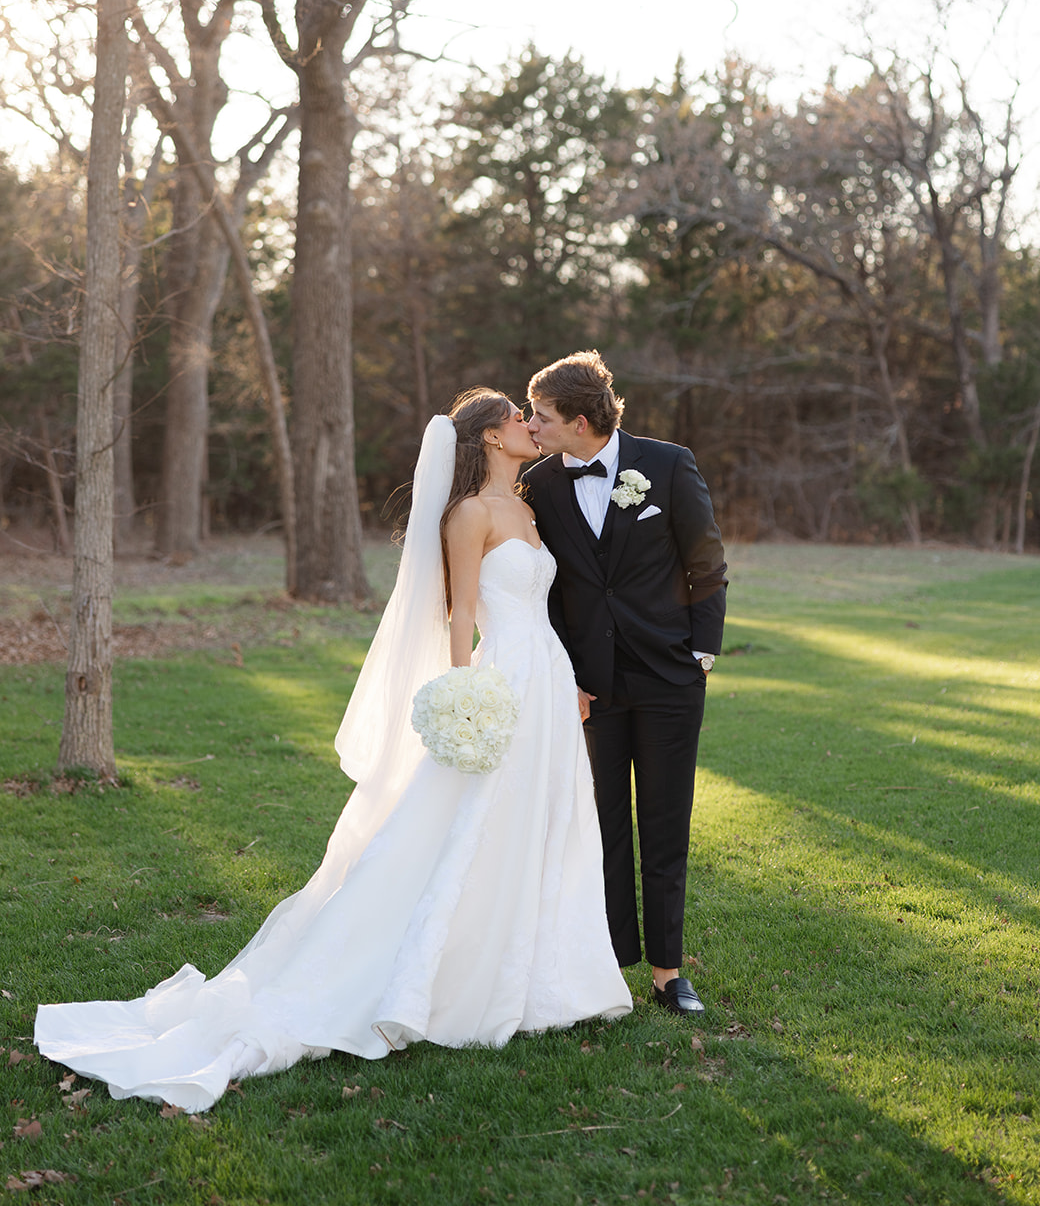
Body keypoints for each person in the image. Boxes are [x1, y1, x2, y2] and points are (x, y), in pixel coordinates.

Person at [34, 390, 630, 1112]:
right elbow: (463, 610)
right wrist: (465, 692)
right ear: (489, 439)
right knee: (474, 827)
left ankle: (539, 976)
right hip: (501, 682)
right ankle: (433, 979)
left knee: (539, 825)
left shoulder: (531, 510)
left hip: (549, 680)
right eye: (513, 417)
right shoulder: (469, 515)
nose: (526, 424)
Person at [524, 352, 727, 1018]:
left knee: (664, 824)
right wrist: (565, 674)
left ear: (580, 421)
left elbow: (705, 561)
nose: (532, 425)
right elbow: (547, 590)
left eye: (541, 416)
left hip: (670, 676)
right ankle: (610, 965)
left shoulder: (666, 464)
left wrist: (700, 652)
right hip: (592, 687)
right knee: (602, 826)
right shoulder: (541, 485)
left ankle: (668, 972)